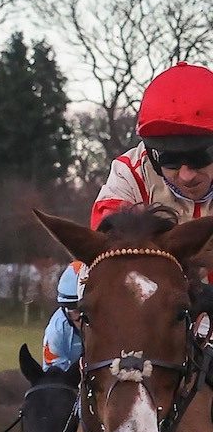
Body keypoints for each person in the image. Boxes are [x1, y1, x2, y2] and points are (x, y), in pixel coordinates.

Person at [38, 63, 213, 372]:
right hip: (158, 312)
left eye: (200, 157)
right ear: (150, 152)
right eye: (170, 160)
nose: (186, 175)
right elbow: (111, 249)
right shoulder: (128, 172)